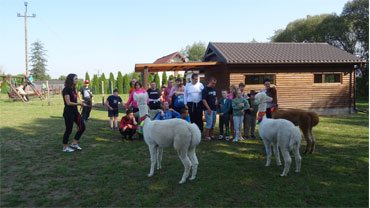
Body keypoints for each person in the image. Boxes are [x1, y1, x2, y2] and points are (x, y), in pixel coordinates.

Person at [61, 74, 87, 152]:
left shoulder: (73, 89)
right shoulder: (66, 90)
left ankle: (74, 143)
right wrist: (80, 104)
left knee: (82, 127)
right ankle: (65, 147)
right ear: (71, 80)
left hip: (75, 112)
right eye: (75, 79)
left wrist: (80, 103)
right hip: (68, 113)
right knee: (68, 130)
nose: (77, 80)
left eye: (77, 78)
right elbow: (68, 103)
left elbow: (74, 100)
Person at [202, 77, 217, 141]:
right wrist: (208, 108)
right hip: (208, 109)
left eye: (215, 83)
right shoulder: (205, 89)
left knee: (213, 122)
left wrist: (216, 100)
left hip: (214, 108)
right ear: (209, 82)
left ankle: (211, 135)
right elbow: (203, 99)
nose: (214, 85)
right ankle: (207, 136)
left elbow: (215, 96)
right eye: (212, 83)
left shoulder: (214, 88)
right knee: (209, 122)